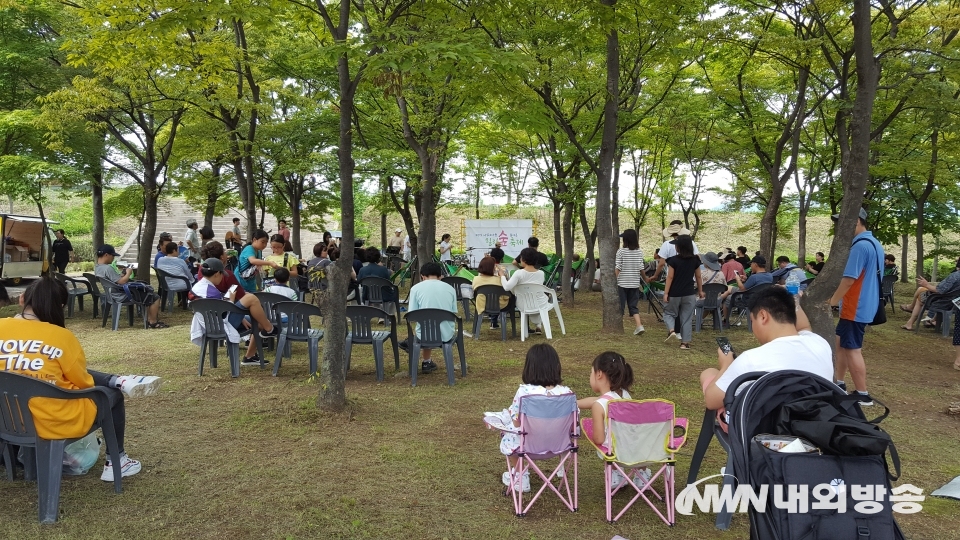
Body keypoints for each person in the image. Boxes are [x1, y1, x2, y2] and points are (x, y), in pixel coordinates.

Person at [0, 276, 161, 482]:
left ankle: (119, 380)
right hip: (51, 421)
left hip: (6, 420)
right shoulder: (61, 337)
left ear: (22, 299)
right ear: (60, 306)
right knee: (111, 396)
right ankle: (116, 460)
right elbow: (84, 384)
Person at [700, 287, 833, 420]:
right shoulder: (820, 344)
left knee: (709, 373)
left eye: (752, 321)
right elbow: (804, 327)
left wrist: (726, 365)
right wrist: (793, 299)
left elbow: (711, 401)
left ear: (763, 316)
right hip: (818, 425)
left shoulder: (751, 360)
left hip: (767, 433)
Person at [496, 343, 571, 493]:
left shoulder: (524, 392)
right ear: (556, 366)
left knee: (508, 433)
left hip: (528, 446)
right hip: (559, 446)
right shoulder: (567, 393)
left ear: (529, 368)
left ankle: (520, 476)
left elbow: (517, 422)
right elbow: (572, 423)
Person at [829, 208, 884, 405]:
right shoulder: (874, 243)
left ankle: (862, 394)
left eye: (844, 222)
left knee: (852, 349)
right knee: (841, 344)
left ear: (857, 221)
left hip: (855, 306)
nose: (840, 227)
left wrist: (833, 301)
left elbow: (849, 280)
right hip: (864, 304)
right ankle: (839, 382)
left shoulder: (860, 247)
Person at [576, 351, 648, 488]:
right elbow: (597, 400)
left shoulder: (599, 406)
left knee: (607, 437)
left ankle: (615, 474)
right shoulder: (625, 396)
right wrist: (574, 402)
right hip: (638, 452)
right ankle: (641, 476)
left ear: (599, 374)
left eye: (590, 373)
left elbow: (599, 440)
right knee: (629, 433)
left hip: (616, 455)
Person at [190, 258, 281, 365]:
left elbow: (215, 307)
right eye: (222, 274)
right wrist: (231, 302)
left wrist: (239, 316)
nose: (223, 277)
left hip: (209, 324)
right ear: (216, 274)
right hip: (220, 325)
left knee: (259, 321)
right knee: (250, 298)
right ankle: (270, 329)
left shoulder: (199, 287)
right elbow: (223, 313)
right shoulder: (211, 291)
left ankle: (250, 356)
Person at [95, 245, 167, 329]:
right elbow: (122, 281)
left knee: (147, 294)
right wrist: (128, 272)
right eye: (113, 255)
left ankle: (149, 320)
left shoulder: (98, 268)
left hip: (112, 295)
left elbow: (115, 280)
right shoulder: (107, 268)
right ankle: (152, 322)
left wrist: (122, 274)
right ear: (106, 255)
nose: (113, 258)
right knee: (154, 297)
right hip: (121, 295)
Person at [404, 262, 457, 374]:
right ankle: (427, 362)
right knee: (431, 324)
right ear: (440, 275)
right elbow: (453, 312)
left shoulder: (415, 288)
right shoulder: (450, 289)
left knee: (426, 326)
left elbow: (412, 315)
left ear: (422, 276)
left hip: (423, 334)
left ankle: (426, 361)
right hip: (446, 334)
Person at [662, 235, 704, 350]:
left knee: (669, 313)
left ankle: (671, 330)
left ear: (679, 247)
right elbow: (699, 276)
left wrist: (666, 293)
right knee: (686, 318)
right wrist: (700, 291)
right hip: (689, 293)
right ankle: (684, 343)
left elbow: (670, 277)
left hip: (674, 293)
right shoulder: (695, 260)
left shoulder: (673, 260)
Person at [498, 247, 549, 334]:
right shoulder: (541, 273)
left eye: (521, 257)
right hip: (540, 302)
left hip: (523, 303)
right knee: (534, 299)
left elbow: (506, 287)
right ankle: (538, 324)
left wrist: (502, 275)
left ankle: (532, 327)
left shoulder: (519, 273)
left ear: (524, 259)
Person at [901, 257, 960, 330]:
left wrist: (926, 284)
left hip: (943, 303)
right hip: (955, 304)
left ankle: (909, 323)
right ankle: (932, 320)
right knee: (922, 292)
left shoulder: (955, 276)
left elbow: (939, 290)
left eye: (957, 261)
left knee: (920, 299)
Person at [615, 229, 646, 335]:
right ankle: (639, 325)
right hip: (634, 283)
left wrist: (615, 280)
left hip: (622, 283)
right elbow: (641, 268)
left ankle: (618, 326)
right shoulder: (639, 251)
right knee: (633, 306)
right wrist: (645, 278)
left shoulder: (621, 251)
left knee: (620, 306)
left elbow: (618, 267)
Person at [472, 256, 510, 328]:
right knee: (501, 298)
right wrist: (502, 276)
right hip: (501, 306)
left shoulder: (476, 279)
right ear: (493, 268)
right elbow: (507, 293)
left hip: (482, 305)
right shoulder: (500, 280)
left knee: (491, 298)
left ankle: (493, 322)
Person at [357, 247, 396, 313]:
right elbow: (389, 282)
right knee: (394, 294)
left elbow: (359, 282)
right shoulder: (383, 269)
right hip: (384, 295)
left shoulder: (362, 270)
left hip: (367, 295)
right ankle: (388, 315)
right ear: (378, 257)